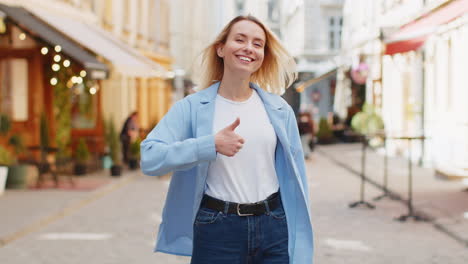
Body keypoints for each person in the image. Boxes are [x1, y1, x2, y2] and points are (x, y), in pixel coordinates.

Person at [141, 15, 313, 264]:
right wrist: (209, 145)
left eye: (257, 43)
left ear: (263, 54)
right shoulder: (191, 107)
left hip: (273, 225)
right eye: (240, 39)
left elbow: (298, 178)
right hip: (217, 229)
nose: (248, 48)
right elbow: (150, 158)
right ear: (221, 48)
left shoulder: (279, 110)